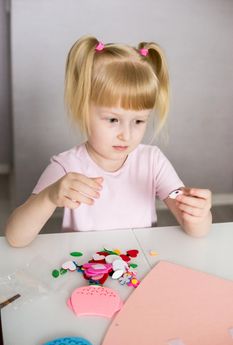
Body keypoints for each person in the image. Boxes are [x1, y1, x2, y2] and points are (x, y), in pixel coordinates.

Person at [5, 36, 212, 247]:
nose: (126, 135)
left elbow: (196, 231)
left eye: (139, 121)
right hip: (86, 269)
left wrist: (199, 215)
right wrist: (49, 197)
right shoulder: (66, 166)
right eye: (113, 119)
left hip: (137, 268)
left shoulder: (152, 161)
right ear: (84, 109)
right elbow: (15, 238)